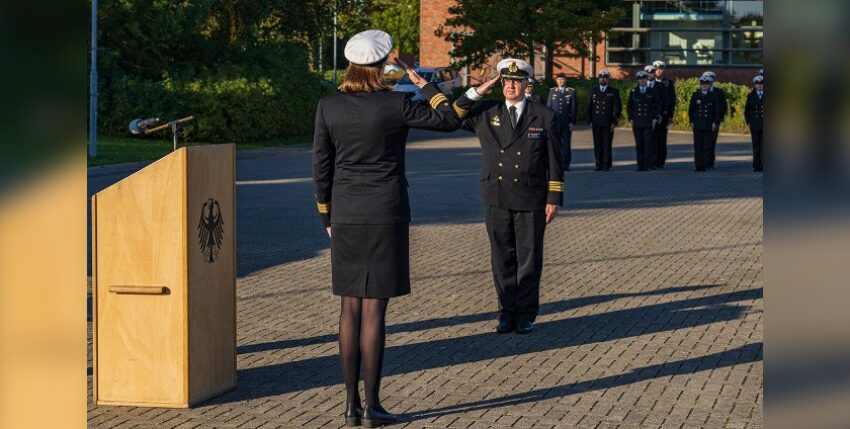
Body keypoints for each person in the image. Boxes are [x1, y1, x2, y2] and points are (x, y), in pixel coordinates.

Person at [312, 29, 461, 428]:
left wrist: (326, 216)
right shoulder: (396, 104)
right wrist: (423, 83)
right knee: (374, 307)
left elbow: (321, 168)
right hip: (385, 212)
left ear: (350, 65)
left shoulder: (328, 106)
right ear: (381, 66)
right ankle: (373, 406)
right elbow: (448, 119)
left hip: (345, 214)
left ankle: (348, 406)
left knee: (349, 306)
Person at [450, 58, 564, 335]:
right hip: (496, 196)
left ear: (527, 84)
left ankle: (525, 314)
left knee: (528, 259)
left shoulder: (544, 115)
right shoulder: (487, 112)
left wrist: (553, 198)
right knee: (502, 258)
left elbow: (555, 161)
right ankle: (505, 313)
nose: (510, 85)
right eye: (505, 81)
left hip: (531, 197)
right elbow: (454, 114)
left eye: (516, 81)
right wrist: (478, 90)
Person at [587, 70, 622, 171]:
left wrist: (614, 122)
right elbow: (589, 105)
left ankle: (606, 164)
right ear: (599, 79)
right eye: (601, 77)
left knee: (606, 144)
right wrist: (589, 120)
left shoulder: (613, 91)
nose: (603, 79)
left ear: (608, 79)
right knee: (597, 144)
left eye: (605, 78)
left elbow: (617, 108)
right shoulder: (593, 90)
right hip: (596, 121)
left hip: (608, 122)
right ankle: (598, 164)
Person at [628, 71, 661, 171]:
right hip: (637, 121)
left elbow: (657, 106)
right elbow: (630, 107)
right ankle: (640, 165)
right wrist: (631, 118)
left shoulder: (652, 91)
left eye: (643, 79)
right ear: (638, 80)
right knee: (639, 144)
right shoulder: (634, 91)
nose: (642, 81)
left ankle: (647, 165)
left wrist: (655, 118)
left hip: (648, 121)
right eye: (640, 79)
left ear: (646, 80)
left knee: (648, 144)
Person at [688, 74, 721, 172]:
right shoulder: (695, 95)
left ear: (709, 85)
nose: (704, 86)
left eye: (706, 84)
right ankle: (698, 166)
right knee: (698, 146)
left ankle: (706, 165)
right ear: (700, 85)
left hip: (708, 123)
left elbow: (716, 111)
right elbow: (691, 110)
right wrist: (691, 121)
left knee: (707, 146)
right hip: (698, 124)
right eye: (702, 84)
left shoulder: (712, 96)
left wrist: (715, 122)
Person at [547, 72, 577, 171]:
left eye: (562, 79)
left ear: (565, 80)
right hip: (555, 122)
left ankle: (565, 164)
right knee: (555, 144)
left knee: (566, 145)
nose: (560, 81)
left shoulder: (571, 92)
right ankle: (556, 164)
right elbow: (549, 108)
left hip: (566, 123)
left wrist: (572, 122)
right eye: (559, 79)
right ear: (556, 81)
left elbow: (573, 108)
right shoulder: (552, 91)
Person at [653, 60, 677, 168]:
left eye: (661, 69)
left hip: (664, 115)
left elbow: (672, 100)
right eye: (657, 69)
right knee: (652, 138)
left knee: (662, 138)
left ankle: (660, 161)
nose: (659, 71)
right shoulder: (650, 82)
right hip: (653, 115)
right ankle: (652, 160)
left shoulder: (668, 83)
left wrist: (670, 115)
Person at [702, 71, 727, 169]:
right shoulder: (701, 91)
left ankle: (710, 162)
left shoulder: (719, 92)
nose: (709, 80)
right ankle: (703, 161)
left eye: (711, 78)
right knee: (703, 142)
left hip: (714, 121)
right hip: (703, 121)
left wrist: (719, 120)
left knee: (711, 142)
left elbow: (724, 107)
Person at [745, 74, 764, 172]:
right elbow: (747, 111)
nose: (760, 86)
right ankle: (756, 165)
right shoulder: (751, 96)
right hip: (755, 124)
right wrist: (748, 122)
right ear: (755, 85)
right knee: (756, 146)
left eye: (761, 84)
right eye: (758, 84)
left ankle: (763, 165)